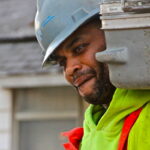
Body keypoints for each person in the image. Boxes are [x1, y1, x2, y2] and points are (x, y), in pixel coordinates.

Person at [35, 0, 150, 150]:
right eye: (62, 62)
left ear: (116, 35)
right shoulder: (90, 131)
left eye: (79, 48)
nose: (70, 69)